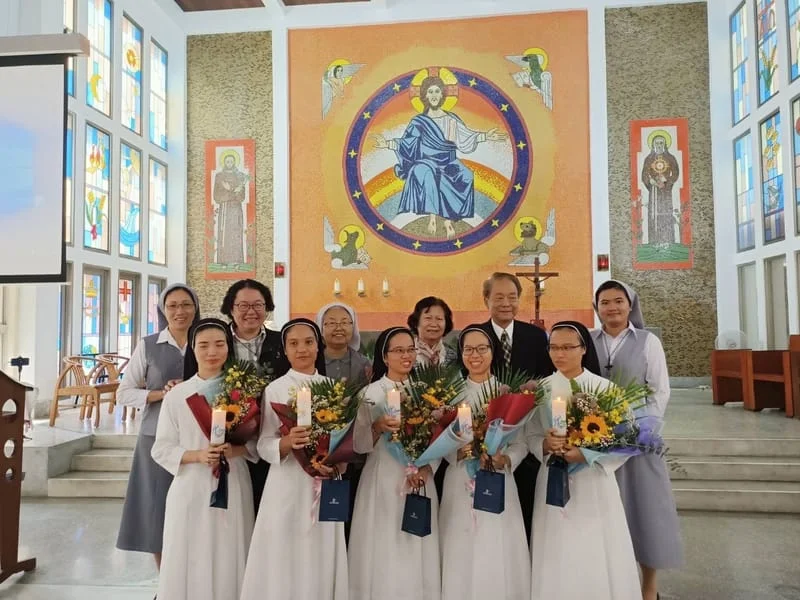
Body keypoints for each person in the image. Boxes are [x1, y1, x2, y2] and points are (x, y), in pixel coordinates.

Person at [526, 321, 640, 600]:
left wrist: (586, 454)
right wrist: (545, 445)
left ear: (583, 349)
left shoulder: (605, 388)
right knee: (556, 546)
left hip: (593, 483)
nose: (559, 354)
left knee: (593, 545)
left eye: (567, 347)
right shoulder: (542, 389)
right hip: (553, 478)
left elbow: (628, 439)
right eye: (554, 347)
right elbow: (530, 434)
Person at [240, 319, 347, 600]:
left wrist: (337, 460)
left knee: (321, 548)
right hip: (287, 483)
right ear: (285, 350)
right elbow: (263, 444)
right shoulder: (276, 389)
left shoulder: (333, 388)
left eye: (309, 342)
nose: (302, 349)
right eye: (294, 343)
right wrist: (286, 443)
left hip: (324, 483)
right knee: (286, 549)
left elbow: (344, 442)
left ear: (318, 347)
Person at [151, 318, 256, 600]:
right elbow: (161, 448)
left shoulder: (242, 392)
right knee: (191, 550)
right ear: (192, 349)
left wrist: (236, 450)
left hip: (233, 482)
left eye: (220, 344)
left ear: (229, 348)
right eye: (204, 345)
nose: (212, 352)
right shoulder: (177, 395)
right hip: (191, 485)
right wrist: (198, 455)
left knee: (230, 549)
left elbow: (257, 443)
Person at [592, 280, 683, 600]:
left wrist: (641, 432)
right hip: (597, 443)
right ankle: (612, 585)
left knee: (645, 512)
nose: (612, 308)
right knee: (604, 514)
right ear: (597, 308)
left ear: (630, 305)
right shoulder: (587, 340)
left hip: (639, 443)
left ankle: (648, 588)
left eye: (619, 301)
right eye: (605, 302)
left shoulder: (647, 341)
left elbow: (659, 390)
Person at [349, 327, 441, 600]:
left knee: (416, 543)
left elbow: (439, 440)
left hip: (420, 480)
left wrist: (426, 468)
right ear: (385, 356)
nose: (406, 356)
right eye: (398, 350)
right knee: (384, 542)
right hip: (382, 478)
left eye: (411, 349)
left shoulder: (428, 393)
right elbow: (358, 446)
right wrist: (377, 426)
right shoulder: (369, 394)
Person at [439, 326, 530, 600]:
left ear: (493, 352)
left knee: (496, 542)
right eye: (468, 349)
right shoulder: (450, 394)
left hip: (497, 477)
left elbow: (522, 442)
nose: (475, 355)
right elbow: (439, 442)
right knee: (461, 541)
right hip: (459, 479)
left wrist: (505, 459)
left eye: (482, 348)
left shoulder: (507, 394)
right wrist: (458, 452)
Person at [116, 283, 200, 571]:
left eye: (186, 304)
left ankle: (194, 578)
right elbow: (124, 393)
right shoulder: (149, 345)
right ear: (163, 310)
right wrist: (162, 394)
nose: (180, 311)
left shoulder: (206, 340)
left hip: (198, 437)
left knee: (195, 509)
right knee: (157, 510)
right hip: (156, 437)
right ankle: (165, 581)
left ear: (195, 308)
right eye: (172, 305)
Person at [373, 74, 508, 239]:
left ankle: (448, 219)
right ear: (425, 95)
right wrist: (387, 144)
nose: (434, 95)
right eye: (430, 92)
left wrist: (486, 136)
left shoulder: (451, 119)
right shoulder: (419, 121)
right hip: (426, 161)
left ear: (442, 94)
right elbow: (407, 143)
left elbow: (466, 137)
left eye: (437, 91)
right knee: (429, 174)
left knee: (466, 175)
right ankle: (432, 218)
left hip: (448, 161)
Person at [478, 272, 554, 542]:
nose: (506, 303)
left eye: (512, 297)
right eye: (498, 297)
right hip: (490, 446)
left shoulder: (536, 336)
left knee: (529, 511)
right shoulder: (476, 336)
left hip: (531, 438)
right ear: (486, 300)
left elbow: (548, 379)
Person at [211, 279, 286, 515]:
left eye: (258, 305)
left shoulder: (281, 342)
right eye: (243, 305)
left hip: (272, 435)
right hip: (228, 442)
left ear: (267, 307)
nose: (251, 312)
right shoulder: (216, 341)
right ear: (230, 308)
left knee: (267, 506)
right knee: (235, 511)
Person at [317, 301, 371, 385]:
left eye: (344, 322)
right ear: (321, 328)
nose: (339, 328)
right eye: (332, 323)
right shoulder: (312, 362)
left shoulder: (364, 364)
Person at [641, 134, 680, 245]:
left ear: (665, 144)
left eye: (661, 143)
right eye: (657, 143)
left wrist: (666, 181)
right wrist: (651, 181)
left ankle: (668, 241)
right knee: (654, 214)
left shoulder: (670, 158)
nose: (659, 145)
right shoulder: (649, 159)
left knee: (666, 213)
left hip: (666, 191)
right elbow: (644, 175)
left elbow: (676, 173)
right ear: (653, 145)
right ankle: (654, 241)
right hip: (654, 191)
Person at [214, 151, 248, 265]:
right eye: (227, 161)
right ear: (224, 162)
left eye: (231, 161)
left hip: (235, 209)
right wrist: (232, 192)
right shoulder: (219, 176)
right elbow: (216, 196)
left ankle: (236, 260)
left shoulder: (240, 176)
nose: (229, 163)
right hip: (224, 209)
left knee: (235, 232)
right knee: (224, 233)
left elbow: (241, 196)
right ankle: (223, 261)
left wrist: (230, 190)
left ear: (234, 163)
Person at [407, 296, 457, 367]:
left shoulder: (455, 357)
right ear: (416, 322)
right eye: (428, 318)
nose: (433, 324)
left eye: (439, 319)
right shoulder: (404, 355)